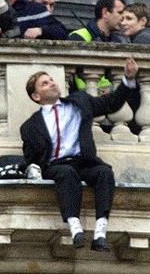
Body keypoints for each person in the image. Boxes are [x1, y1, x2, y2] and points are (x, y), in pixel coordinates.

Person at [21, 57, 139, 252]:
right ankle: (75, 228)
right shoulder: (30, 127)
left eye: (51, 80)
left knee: (104, 172)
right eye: (44, 83)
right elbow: (30, 158)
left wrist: (128, 80)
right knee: (66, 173)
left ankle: (100, 232)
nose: (52, 83)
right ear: (36, 96)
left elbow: (111, 103)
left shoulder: (80, 102)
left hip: (83, 161)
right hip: (56, 166)